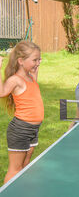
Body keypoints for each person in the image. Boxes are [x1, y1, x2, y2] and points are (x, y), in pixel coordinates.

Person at [0, 41, 44, 183]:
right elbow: (2, 92)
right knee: (15, 169)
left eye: (39, 59)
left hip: (33, 129)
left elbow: (34, 85)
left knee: (25, 166)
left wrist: (35, 66)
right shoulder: (15, 80)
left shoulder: (30, 77)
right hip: (20, 130)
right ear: (20, 61)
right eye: (35, 60)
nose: (38, 63)